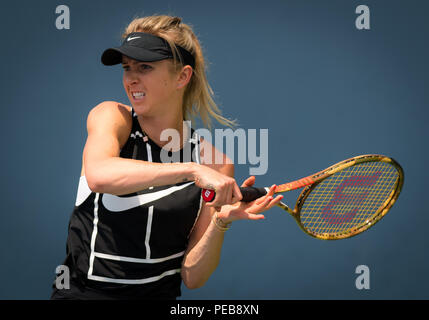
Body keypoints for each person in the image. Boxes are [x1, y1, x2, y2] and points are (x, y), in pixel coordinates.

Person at [50, 15, 283, 300]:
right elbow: (98, 175)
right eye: (126, 68)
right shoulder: (111, 117)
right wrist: (190, 170)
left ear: (182, 76)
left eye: (145, 67)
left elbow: (193, 277)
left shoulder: (217, 164)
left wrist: (220, 221)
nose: (131, 78)